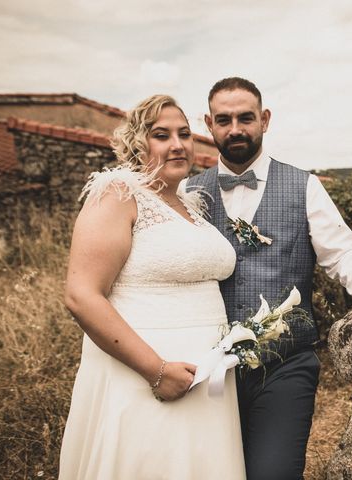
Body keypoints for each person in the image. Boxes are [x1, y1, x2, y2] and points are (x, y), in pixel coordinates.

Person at [186, 77, 352, 480]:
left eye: (246, 118)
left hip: (285, 364)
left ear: (265, 119)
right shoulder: (187, 192)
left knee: (273, 472)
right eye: (223, 120)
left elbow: (342, 253)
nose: (235, 129)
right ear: (208, 123)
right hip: (206, 368)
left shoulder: (305, 186)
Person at [59, 94, 246, 479]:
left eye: (184, 134)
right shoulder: (118, 195)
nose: (178, 144)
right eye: (161, 135)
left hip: (206, 379)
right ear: (137, 144)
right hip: (147, 378)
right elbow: (81, 295)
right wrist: (157, 371)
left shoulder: (192, 206)